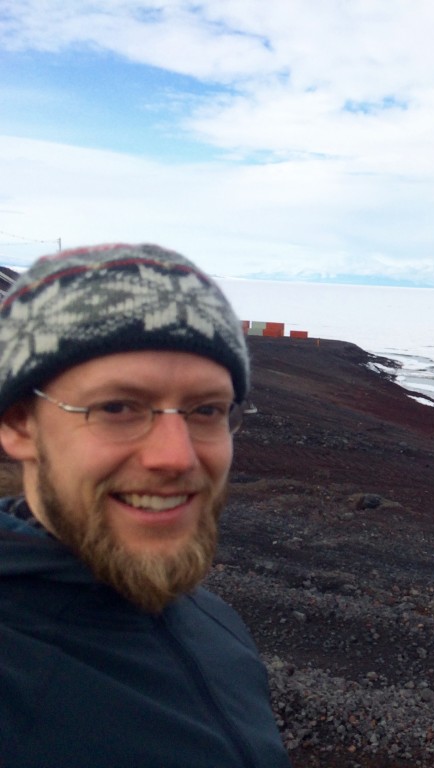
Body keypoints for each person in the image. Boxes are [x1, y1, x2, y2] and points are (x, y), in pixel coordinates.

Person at [0, 244, 290, 767]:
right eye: (117, 407)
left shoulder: (214, 623)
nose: (175, 457)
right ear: (19, 424)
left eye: (206, 410)